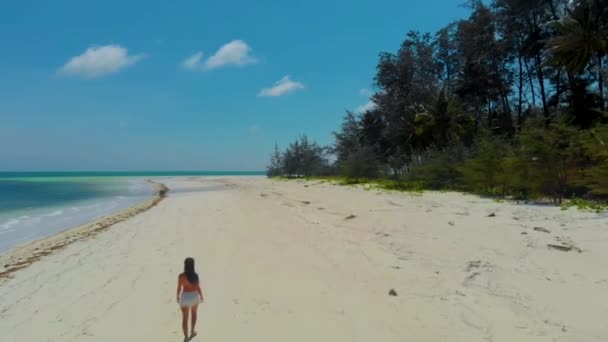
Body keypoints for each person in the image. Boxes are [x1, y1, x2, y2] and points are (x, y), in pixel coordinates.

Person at [177, 257, 204, 341]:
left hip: (185, 297)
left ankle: (186, 337)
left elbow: (179, 287)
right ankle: (192, 332)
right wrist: (201, 296)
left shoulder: (181, 276)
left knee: (185, 318)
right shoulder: (195, 276)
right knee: (194, 314)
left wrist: (177, 296)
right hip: (194, 296)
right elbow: (198, 287)